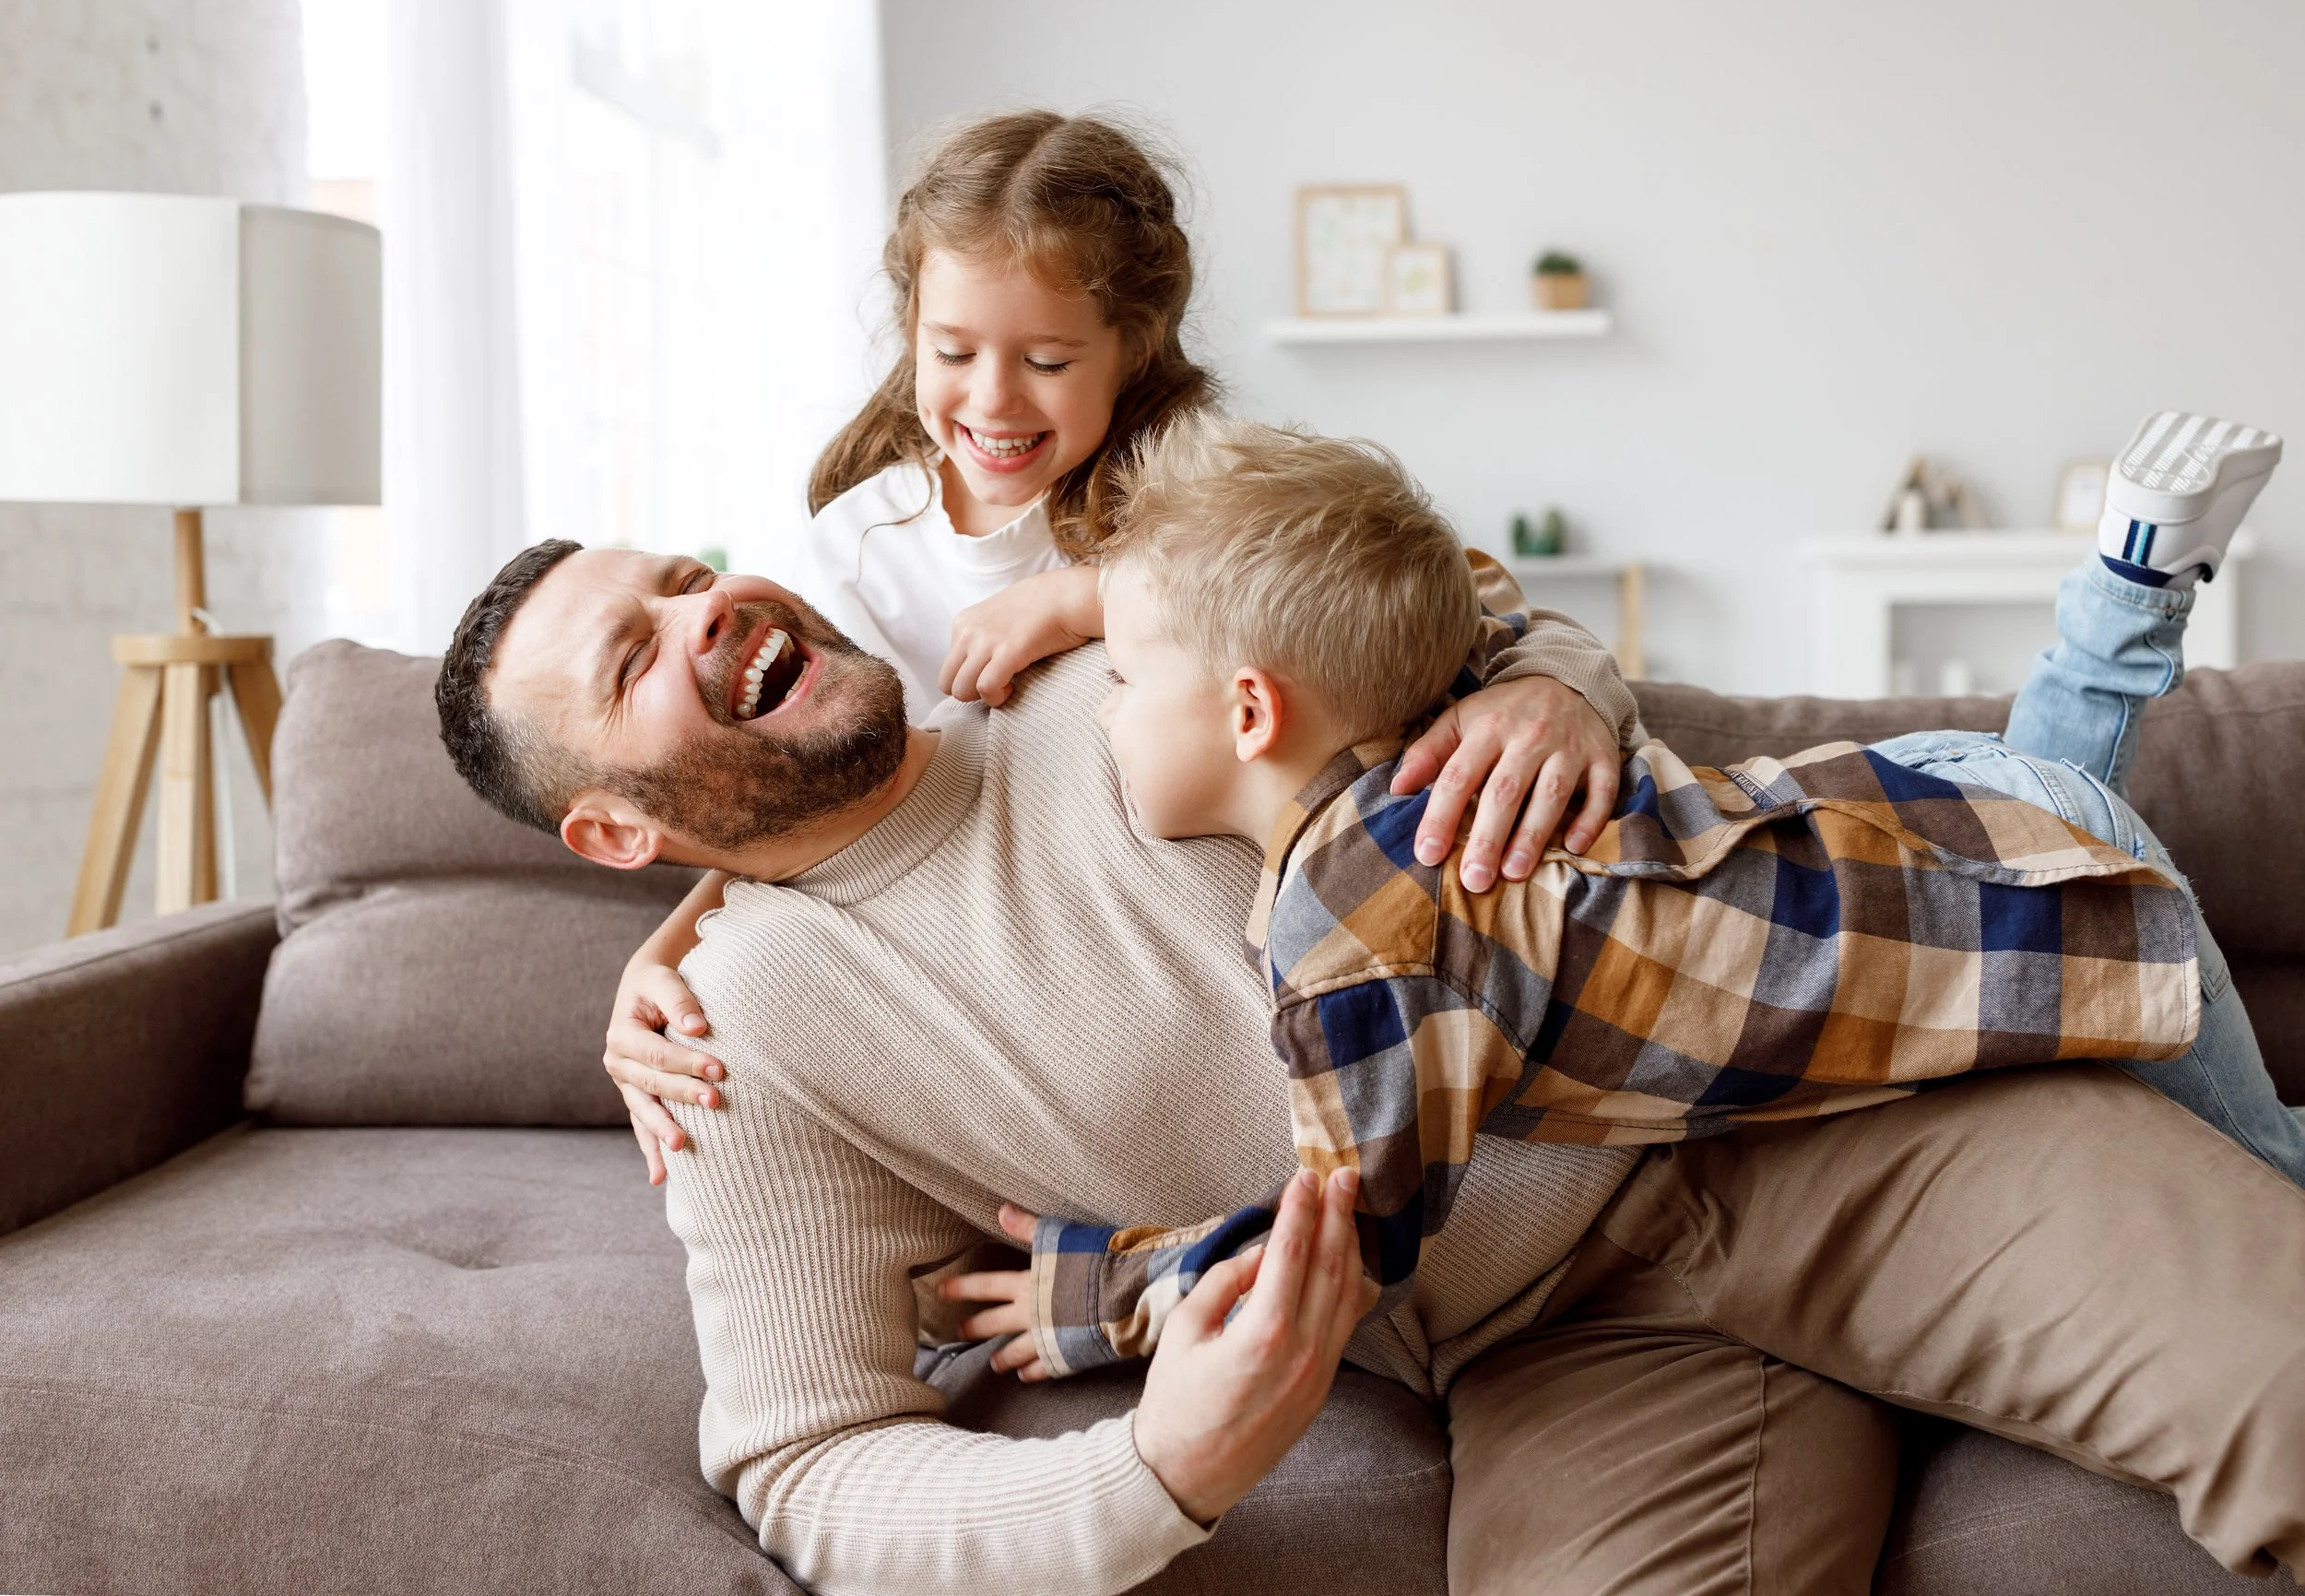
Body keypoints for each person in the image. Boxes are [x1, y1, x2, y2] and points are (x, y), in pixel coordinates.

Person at [433, 431, 2304, 1594]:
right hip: (1556, 1359)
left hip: (1821, 1114)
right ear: (609, 826)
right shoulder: (732, 1042)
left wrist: (1550, 682)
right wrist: (1157, 1466)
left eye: (683, 574)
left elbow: (1434, 588)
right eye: (635, 656)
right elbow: (807, 1465)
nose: (705, 611)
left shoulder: (1093, 642)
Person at [921, 413, 2301, 1382]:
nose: (1102, 719)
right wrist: (1085, 601)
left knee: (2272, 1178)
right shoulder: (1425, 743)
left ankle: (2132, 584)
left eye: (1120, 683)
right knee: (2048, 792)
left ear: (1247, 707)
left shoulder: (1356, 940)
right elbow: (1427, 584)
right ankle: (2132, 572)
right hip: (1943, 803)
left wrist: (1119, 1294)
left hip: (2001, 893)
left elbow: (1349, 1244)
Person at [607, 110, 1635, 1182]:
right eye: (952, 352)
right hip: (1015, 966)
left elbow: (1449, 595)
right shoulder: (861, 548)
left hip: (1245, 933)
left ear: (1132, 345)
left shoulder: (1192, 487)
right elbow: (794, 800)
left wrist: (1084, 598)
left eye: (1047, 360)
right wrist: (661, 951)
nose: (994, 400)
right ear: (910, 326)